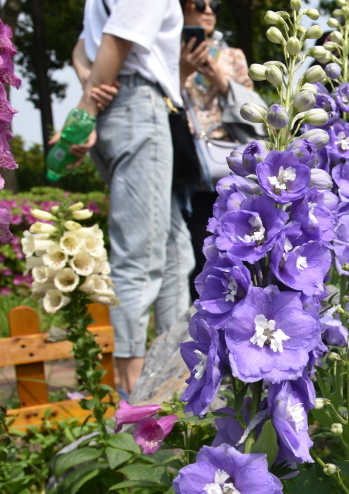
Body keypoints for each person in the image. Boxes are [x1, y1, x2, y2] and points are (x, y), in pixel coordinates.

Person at [67, 0, 194, 397]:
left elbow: (80, 47)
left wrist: (91, 86)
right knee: (139, 258)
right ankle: (135, 398)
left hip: (126, 108)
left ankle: (177, 383)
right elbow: (117, 38)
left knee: (176, 252)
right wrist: (87, 106)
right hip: (139, 108)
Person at [178, 0, 259, 289]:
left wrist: (223, 82)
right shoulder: (169, 53)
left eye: (215, 5)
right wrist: (182, 70)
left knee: (231, 240)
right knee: (192, 246)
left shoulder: (233, 56)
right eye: (200, 4)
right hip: (187, 163)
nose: (209, 11)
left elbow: (253, 111)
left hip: (228, 160)